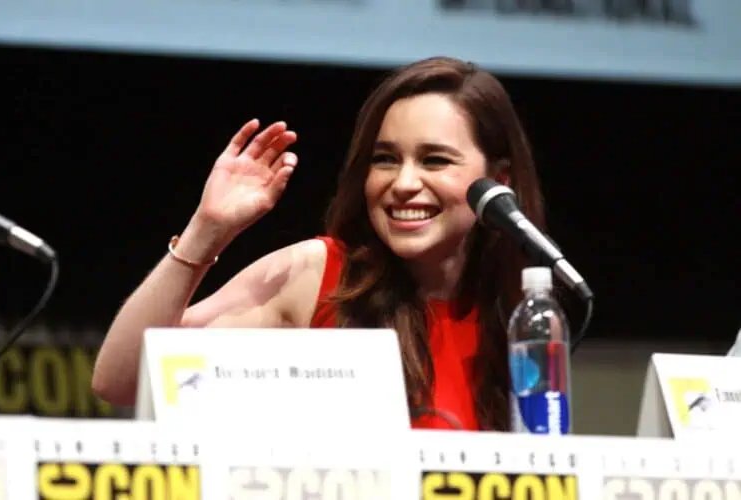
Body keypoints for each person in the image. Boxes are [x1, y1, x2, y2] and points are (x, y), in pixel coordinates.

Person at [92, 56, 545, 431]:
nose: (404, 183)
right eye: (385, 159)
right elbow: (122, 380)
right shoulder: (322, 275)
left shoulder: (523, 316)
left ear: (499, 180)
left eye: (435, 160)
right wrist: (206, 230)